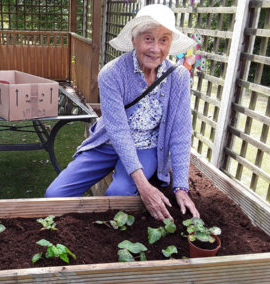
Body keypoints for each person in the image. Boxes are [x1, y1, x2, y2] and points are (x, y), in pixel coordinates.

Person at [45, 4, 200, 221]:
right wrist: (143, 186)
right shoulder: (112, 73)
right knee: (54, 195)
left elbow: (181, 132)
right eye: (148, 38)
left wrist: (181, 188)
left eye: (163, 39)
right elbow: (117, 131)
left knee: (119, 196)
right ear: (134, 39)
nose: (155, 48)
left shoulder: (179, 78)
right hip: (108, 143)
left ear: (170, 44)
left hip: (145, 147)